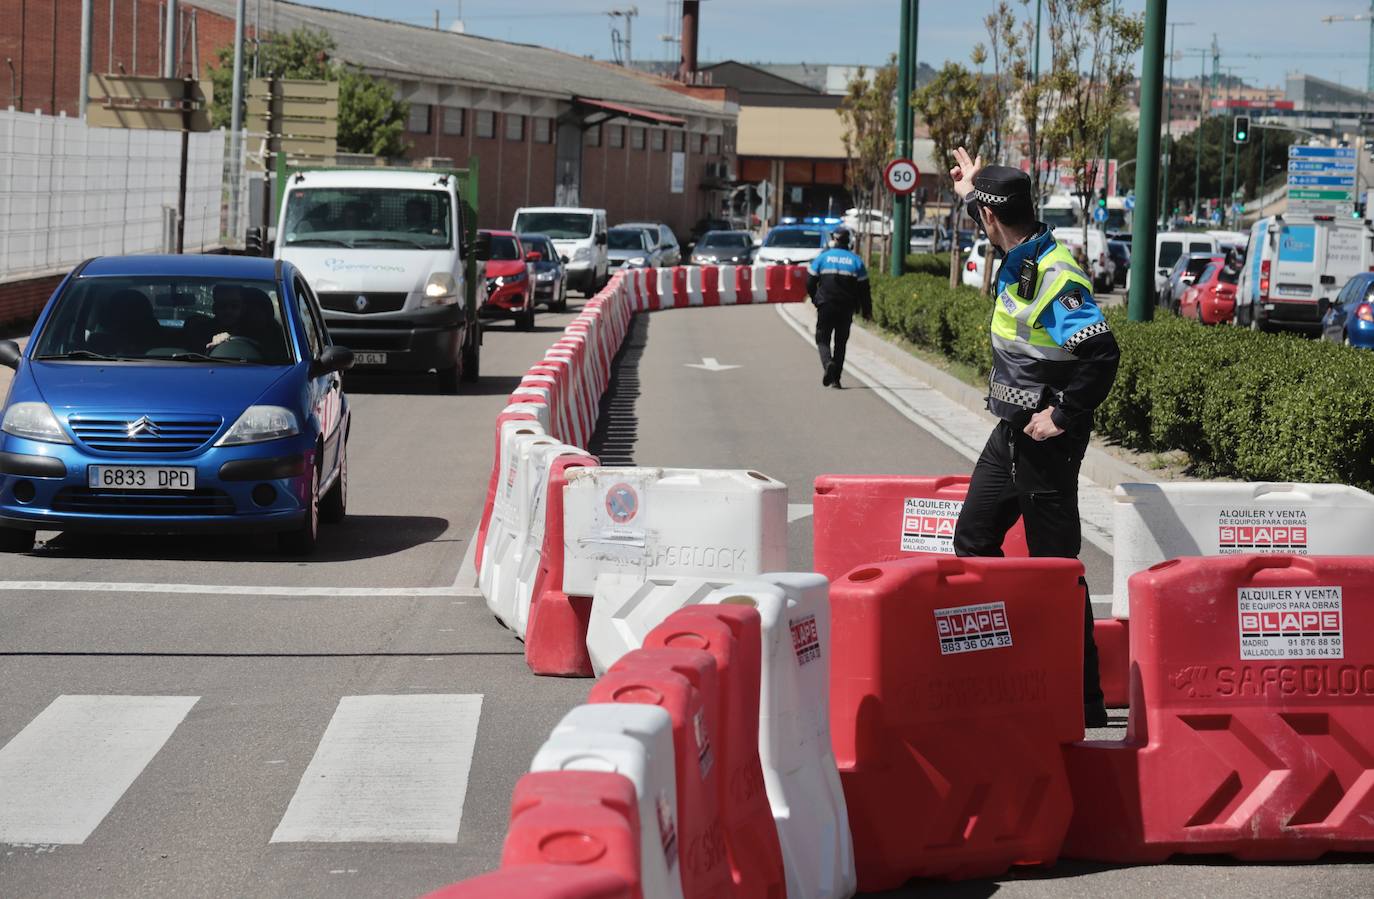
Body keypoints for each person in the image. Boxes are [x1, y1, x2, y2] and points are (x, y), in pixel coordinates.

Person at [946, 147, 1122, 728]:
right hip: (1011, 432)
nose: (981, 224)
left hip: (1047, 440)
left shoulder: (1054, 275)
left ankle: (1084, 700)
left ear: (996, 220)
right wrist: (975, 187)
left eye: (981, 215)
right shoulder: (1021, 247)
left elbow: (1101, 354)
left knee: (1055, 571)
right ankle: (1011, 661)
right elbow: (993, 219)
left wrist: (1063, 416)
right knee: (973, 537)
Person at [806, 226, 872, 389]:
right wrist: (867, 312)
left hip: (826, 306)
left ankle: (828, 363)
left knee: (822, 339)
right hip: (847, 307)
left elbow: (810, 282)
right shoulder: (856, 261)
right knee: (841, 343)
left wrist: (815, 299)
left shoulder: (823, 258)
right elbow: (864, 290)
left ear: (833, 240)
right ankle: (836, 379)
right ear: (848, 241)